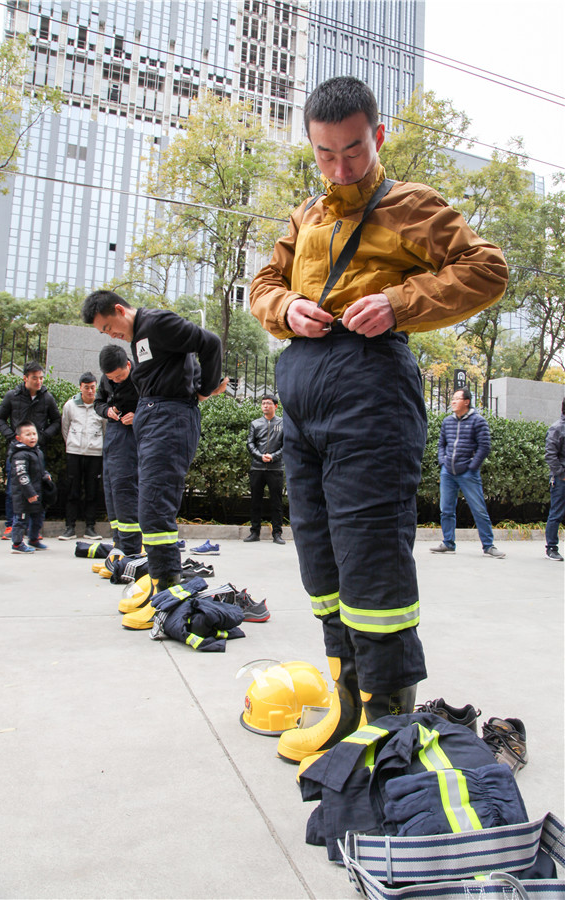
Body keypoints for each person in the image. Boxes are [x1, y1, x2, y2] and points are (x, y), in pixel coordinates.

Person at [250, 76, 508, 763]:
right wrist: (286, 308)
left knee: (371, 559)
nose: (340, 168)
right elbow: (263, 283)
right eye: (325, 154)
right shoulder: (305, 217)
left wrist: (399, 302)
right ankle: (346, 709)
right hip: (302, 395)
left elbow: (487, 268)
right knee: (321, 559)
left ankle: (384, 728)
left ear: (378, 136)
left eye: (354, 151)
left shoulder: (410, 205)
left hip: (369, 393)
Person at [81, 291, 227, 601]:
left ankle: (167, 593)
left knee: (154, 509)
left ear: (119, 310)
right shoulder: (140, 337)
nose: (111, 335)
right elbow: (179, 365)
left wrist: (205, 390)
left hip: (169, 419)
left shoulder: (156, 323)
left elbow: (210, 342)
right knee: (149, 509)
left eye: (108, 327)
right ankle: (162, 586)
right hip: (155, 420)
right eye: (104, 332)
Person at [431, 388, 505, 559]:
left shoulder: (478, 421)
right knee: (446, 510)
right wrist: (443, 461)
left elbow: (484, 446)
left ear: (467, 401)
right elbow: (441, 444)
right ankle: (448, 543)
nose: (453, 401)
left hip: (468, 473)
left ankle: (489, 546)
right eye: (453, 398)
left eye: (457, 398)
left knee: (479, 510)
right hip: (447, 472)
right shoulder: (447, 421)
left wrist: (472, 466)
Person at [0, 361, 61, 542]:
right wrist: (12, 437)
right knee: (14, 489)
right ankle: (11, 525)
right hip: (16, 452)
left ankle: (33, 530)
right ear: (25, 378)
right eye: (34, 378)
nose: (39, 382)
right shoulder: (12, 396)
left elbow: (56, 421)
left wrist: (43, 437)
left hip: (37, 453)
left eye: (41, 378)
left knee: (37, 489)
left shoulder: (47, 398)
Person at [94, 345, 142, 556]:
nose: (116, 380)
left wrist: (138, 417)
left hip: (132, 437)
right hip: (113, 435)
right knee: (111, 489)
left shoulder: (143, 377)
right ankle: (119, 544)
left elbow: (157, 406)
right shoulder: (107, 379)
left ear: (128, 365)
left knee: (125, 489)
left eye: (120, 376)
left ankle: (130, 549)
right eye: (111, 377)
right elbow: (98, 402)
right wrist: (107, 411)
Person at [59, 372, 106, 541]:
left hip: (95, 454)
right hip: (74, 453)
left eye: (93, 387)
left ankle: (90, 527)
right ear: (80, 387)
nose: (90, 391)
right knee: (72, 490)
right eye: (86, 387)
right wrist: (73, 444)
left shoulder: (100, 407)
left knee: (92, 491)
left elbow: (105, 430)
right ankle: (69, 527)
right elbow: (65, 428)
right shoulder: (70, 405)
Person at [244, 395, 285, 544]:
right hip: (257, 467)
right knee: (255, 502)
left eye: (268, 403)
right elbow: (250, 443)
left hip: (276, 468)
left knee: (276, 503)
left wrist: (273, 456)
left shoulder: (283, 423)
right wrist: (260, 456)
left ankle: (277, 534)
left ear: (276, 406)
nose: (265, 406)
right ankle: (254, 532)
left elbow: (286, 445)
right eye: (263, 403)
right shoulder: (255, 424)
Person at [9, 420, 53, 554]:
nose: (32, 437)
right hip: (24, 495)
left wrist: (46, 475)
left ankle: (33, 539)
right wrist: (30, 493)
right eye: (28, 435)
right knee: (21, 519)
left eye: (34, 434)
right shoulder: (20, 455)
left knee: (38, 517)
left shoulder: (37, 451)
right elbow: (22, 476)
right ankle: (17, 544)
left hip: (37, 493)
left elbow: (39, 470)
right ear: (19, 438)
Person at [544, 397, 565, 561]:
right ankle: (551, 547)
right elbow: (550, 455)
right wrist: (562, 474)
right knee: (556, 513)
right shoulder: (557, 428)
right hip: (560, 480)